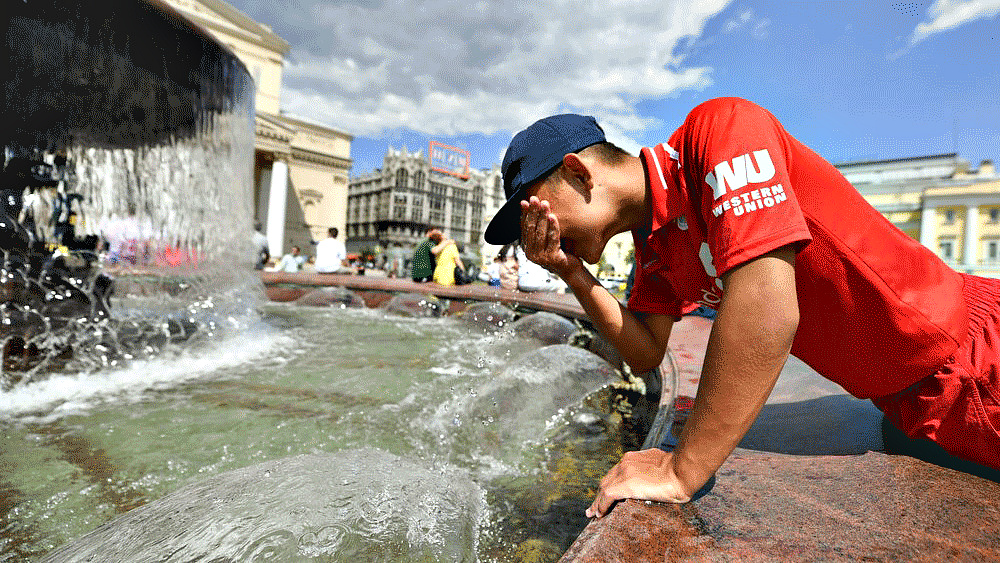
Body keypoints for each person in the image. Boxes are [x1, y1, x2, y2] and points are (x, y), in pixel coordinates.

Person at [483, 99, 1000, 519]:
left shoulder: (721, 130)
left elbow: (768, 309)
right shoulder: (656, 244)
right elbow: (644, 354)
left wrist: (681, 470)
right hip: (908, 399)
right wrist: (573, 273)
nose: (533, 236)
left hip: (977, 358)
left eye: (531, 210)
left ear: (577, 172)